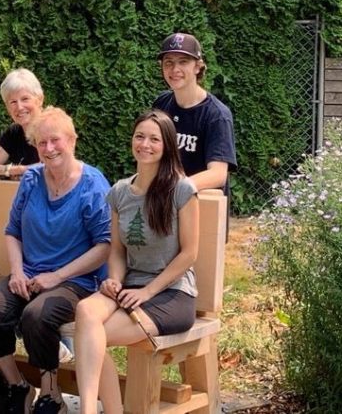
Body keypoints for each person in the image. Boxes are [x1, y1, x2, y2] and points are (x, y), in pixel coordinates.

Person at [0, 107, 111, 414]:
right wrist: (18, 272)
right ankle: (17, 386)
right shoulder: (32, 178)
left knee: (36, 316)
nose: (48, 149)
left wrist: (57, 276)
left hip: (77, 281)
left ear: (72, 141)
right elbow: (12, 231)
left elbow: (105, 246)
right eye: (41, 143)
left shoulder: (93, 184)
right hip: (30, 275)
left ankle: (51, 395)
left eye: (55, 141)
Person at [74, 109, 200, 414]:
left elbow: (189, 253)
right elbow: (116, 250)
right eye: (139, 136)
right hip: (130, 287)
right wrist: (115, 279)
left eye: (154, 139)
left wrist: (147, 292)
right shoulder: (120, 191)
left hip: (171, 294)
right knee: (85, 311)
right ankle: (92, 409)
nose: (145, 144)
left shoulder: (182, 190)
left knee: (93, 336)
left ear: (167, 146)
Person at [152, 32, 237, 196]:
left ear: (198, 66)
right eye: (168, 62)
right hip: (165, 204)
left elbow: (218, 174)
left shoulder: (217, 115)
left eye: (183, 62)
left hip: (202, 206)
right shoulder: (161, 103)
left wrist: (175, 188)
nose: (175, 69)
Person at [0, 68, 43, 180]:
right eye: (13, 102)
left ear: (39, 99)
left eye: (25, 99)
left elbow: (54, 169)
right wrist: (11, 170)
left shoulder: (52, 127)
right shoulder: (14, 132)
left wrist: (23, 171)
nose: (19, 107)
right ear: (7, 107)